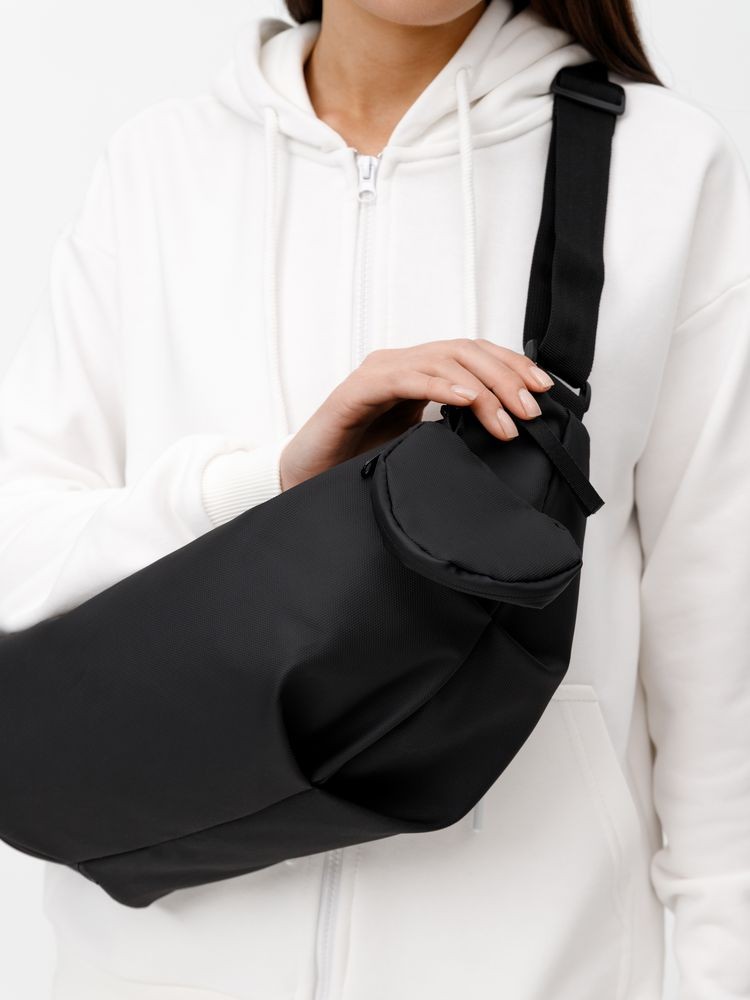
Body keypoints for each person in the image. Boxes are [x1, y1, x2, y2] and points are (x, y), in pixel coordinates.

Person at [1, 0, 748, 997]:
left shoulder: (663, 169)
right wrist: (271, 485)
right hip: (152, 967)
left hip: (538, 966)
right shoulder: (160, 166)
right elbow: (19, 563)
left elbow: (722, 654)